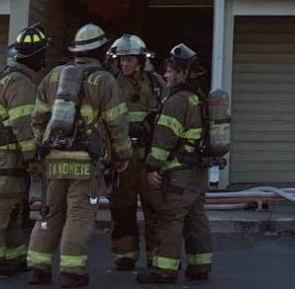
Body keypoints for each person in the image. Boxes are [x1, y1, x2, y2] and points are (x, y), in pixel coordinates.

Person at [28, 24, 132, 287]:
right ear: (100, 50)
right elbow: (116, 123)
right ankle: (72, 271)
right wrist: (122, 156)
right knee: (78, 215)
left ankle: (38, 267)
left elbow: (37, 119)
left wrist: (40, 150)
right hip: (86, 162)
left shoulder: (53, 76)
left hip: (53, 158)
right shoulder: (104, 80)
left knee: (49, 212)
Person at [0, 23, 50, 278]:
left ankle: (14, 257)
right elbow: (24, 126)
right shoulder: (20, 83)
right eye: (42, 53)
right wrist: (33, 158)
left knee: (14, 208)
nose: (44, 58)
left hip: (6, 156)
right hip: (10, 157)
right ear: (34, 56)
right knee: (0, 209)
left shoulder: (11, 76)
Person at [136, 45, 209, 284]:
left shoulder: (177, 101)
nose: (166, 75)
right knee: (195, 217)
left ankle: (164, 271)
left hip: (178, 173)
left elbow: (163, 140)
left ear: (181, 73)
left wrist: (151, 167)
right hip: (197, 172)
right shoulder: (199, 98)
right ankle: (200, 266)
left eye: (169, 71)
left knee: (170, 217)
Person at [106, 35, 164, 272]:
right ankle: (125, 254)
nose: (124, 64)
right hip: (123, 157)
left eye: (129, 59)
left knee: (155, 207)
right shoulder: (110, 83)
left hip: (150, 156)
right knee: (122, 206)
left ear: (140, 60)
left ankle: (156, 255)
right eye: (121, 60)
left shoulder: (157, 83)